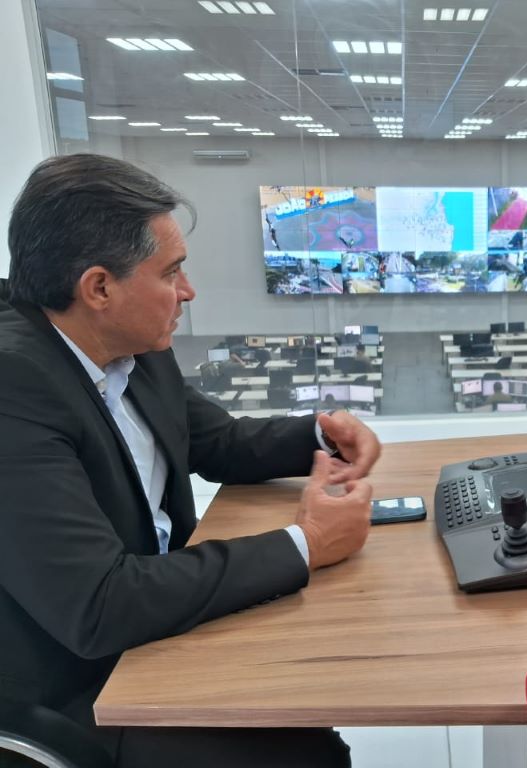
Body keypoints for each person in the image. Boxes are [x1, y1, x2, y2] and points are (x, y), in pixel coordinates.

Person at [0, 154, 383, 768]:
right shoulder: (14, 388)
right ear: (99, 288)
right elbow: (98, 606)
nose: (188, 291)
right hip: (77, 689)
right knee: (307, 753)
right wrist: (307, 543)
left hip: (154, 630)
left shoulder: (130, 342)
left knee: (314, 688)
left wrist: (319, 431)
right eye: (171, 272)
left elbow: (213, 442)